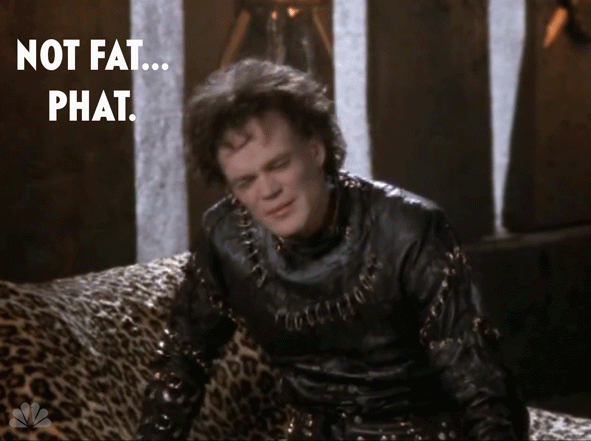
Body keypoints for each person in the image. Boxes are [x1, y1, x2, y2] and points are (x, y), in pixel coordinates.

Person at [134, 58, 529, 440]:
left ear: (316, 149)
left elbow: (481, 384)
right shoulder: (225, 239)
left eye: (278, 164)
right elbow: (182, 359)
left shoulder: (409, 229)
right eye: (246, 181)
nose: (268, 191)